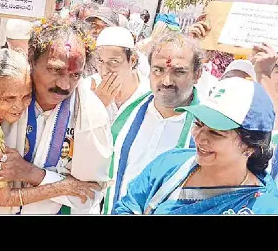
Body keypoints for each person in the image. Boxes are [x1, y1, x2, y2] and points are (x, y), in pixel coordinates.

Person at [0, 18, 114, 214]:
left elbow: (90, 193)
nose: (64, 85)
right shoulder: (11, 81)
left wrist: (31, 173)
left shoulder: (91, 115)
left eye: (75, 75)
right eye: (55, 70)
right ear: (32, 59)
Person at [113, 77, 278, 215]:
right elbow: (127, 206)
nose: (200, 138)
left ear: (250, 147)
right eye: (198, 124)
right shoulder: (170, 164)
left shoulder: (262, 207)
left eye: (216, 133)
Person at [101, 31, 204, 214]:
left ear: (197, 74)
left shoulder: (206, 130)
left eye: (179, 71)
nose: (166, 81)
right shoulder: (128, 112)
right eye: (158, 70)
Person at [84, 26, 150, 123]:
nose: (104, 71)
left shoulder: (148, 94)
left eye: (114, 61)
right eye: (100, 61)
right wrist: (95, 105)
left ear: (132, 60)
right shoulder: (86, 88)